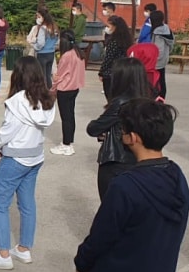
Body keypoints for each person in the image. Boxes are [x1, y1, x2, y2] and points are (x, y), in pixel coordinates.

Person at [75, 99, 189, 272]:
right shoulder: (176, 175)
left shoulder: (126, 186)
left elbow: (101, 235)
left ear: (133, 137)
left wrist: (82, 262)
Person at [0, 56, 56, 270]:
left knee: (0, 203)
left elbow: (7, 131)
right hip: (35, 157)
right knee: (27, 202)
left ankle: (3, 253)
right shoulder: (46, 99)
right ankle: (23, 249)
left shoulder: (17, 100)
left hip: (15, 157)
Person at [87, 58, 152, 199]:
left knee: (111, 207)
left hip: (116, 161)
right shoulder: (148, 99)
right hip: (140, 158)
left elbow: (93, 128)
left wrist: (107, 131)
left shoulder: (121, 102)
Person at [51, 31, 86, 156]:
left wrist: (53, 88)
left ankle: (66, 144)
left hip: (64, 88)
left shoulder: (66, 56)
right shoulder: (79, 54)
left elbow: (59, 76)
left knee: (65, 118)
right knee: (70, 116)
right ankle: (69, 142)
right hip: (75, 87)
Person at [99, 15, 133, 98]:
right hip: (124, 70)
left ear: (115, 27)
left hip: (111, 73)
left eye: (109, 26)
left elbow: (108, 58)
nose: (107, 28)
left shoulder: (113, 42)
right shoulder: (127, 40)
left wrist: (101, 72)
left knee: (111, 98)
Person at [29, 7, 59, 87]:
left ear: (43, 17)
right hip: (51, 53)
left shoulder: (43, 28)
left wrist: (34, 46)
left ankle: (43, 92)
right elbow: (57, 41)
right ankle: (49, 90)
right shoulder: (54, 27)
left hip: (42, 54)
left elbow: (41, 43)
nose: (37, 18)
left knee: (42, 76)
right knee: (48, 75)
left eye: (39, 16)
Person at [150, 10, 173, 99]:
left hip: (157, 61)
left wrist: (154, 60)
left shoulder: (158, 32)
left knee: (157, 81)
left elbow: (158, 49)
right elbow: (170, 45)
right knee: (161, 79)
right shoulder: (166, 29)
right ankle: (161, 96)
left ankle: (159, 97)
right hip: (164, 59)